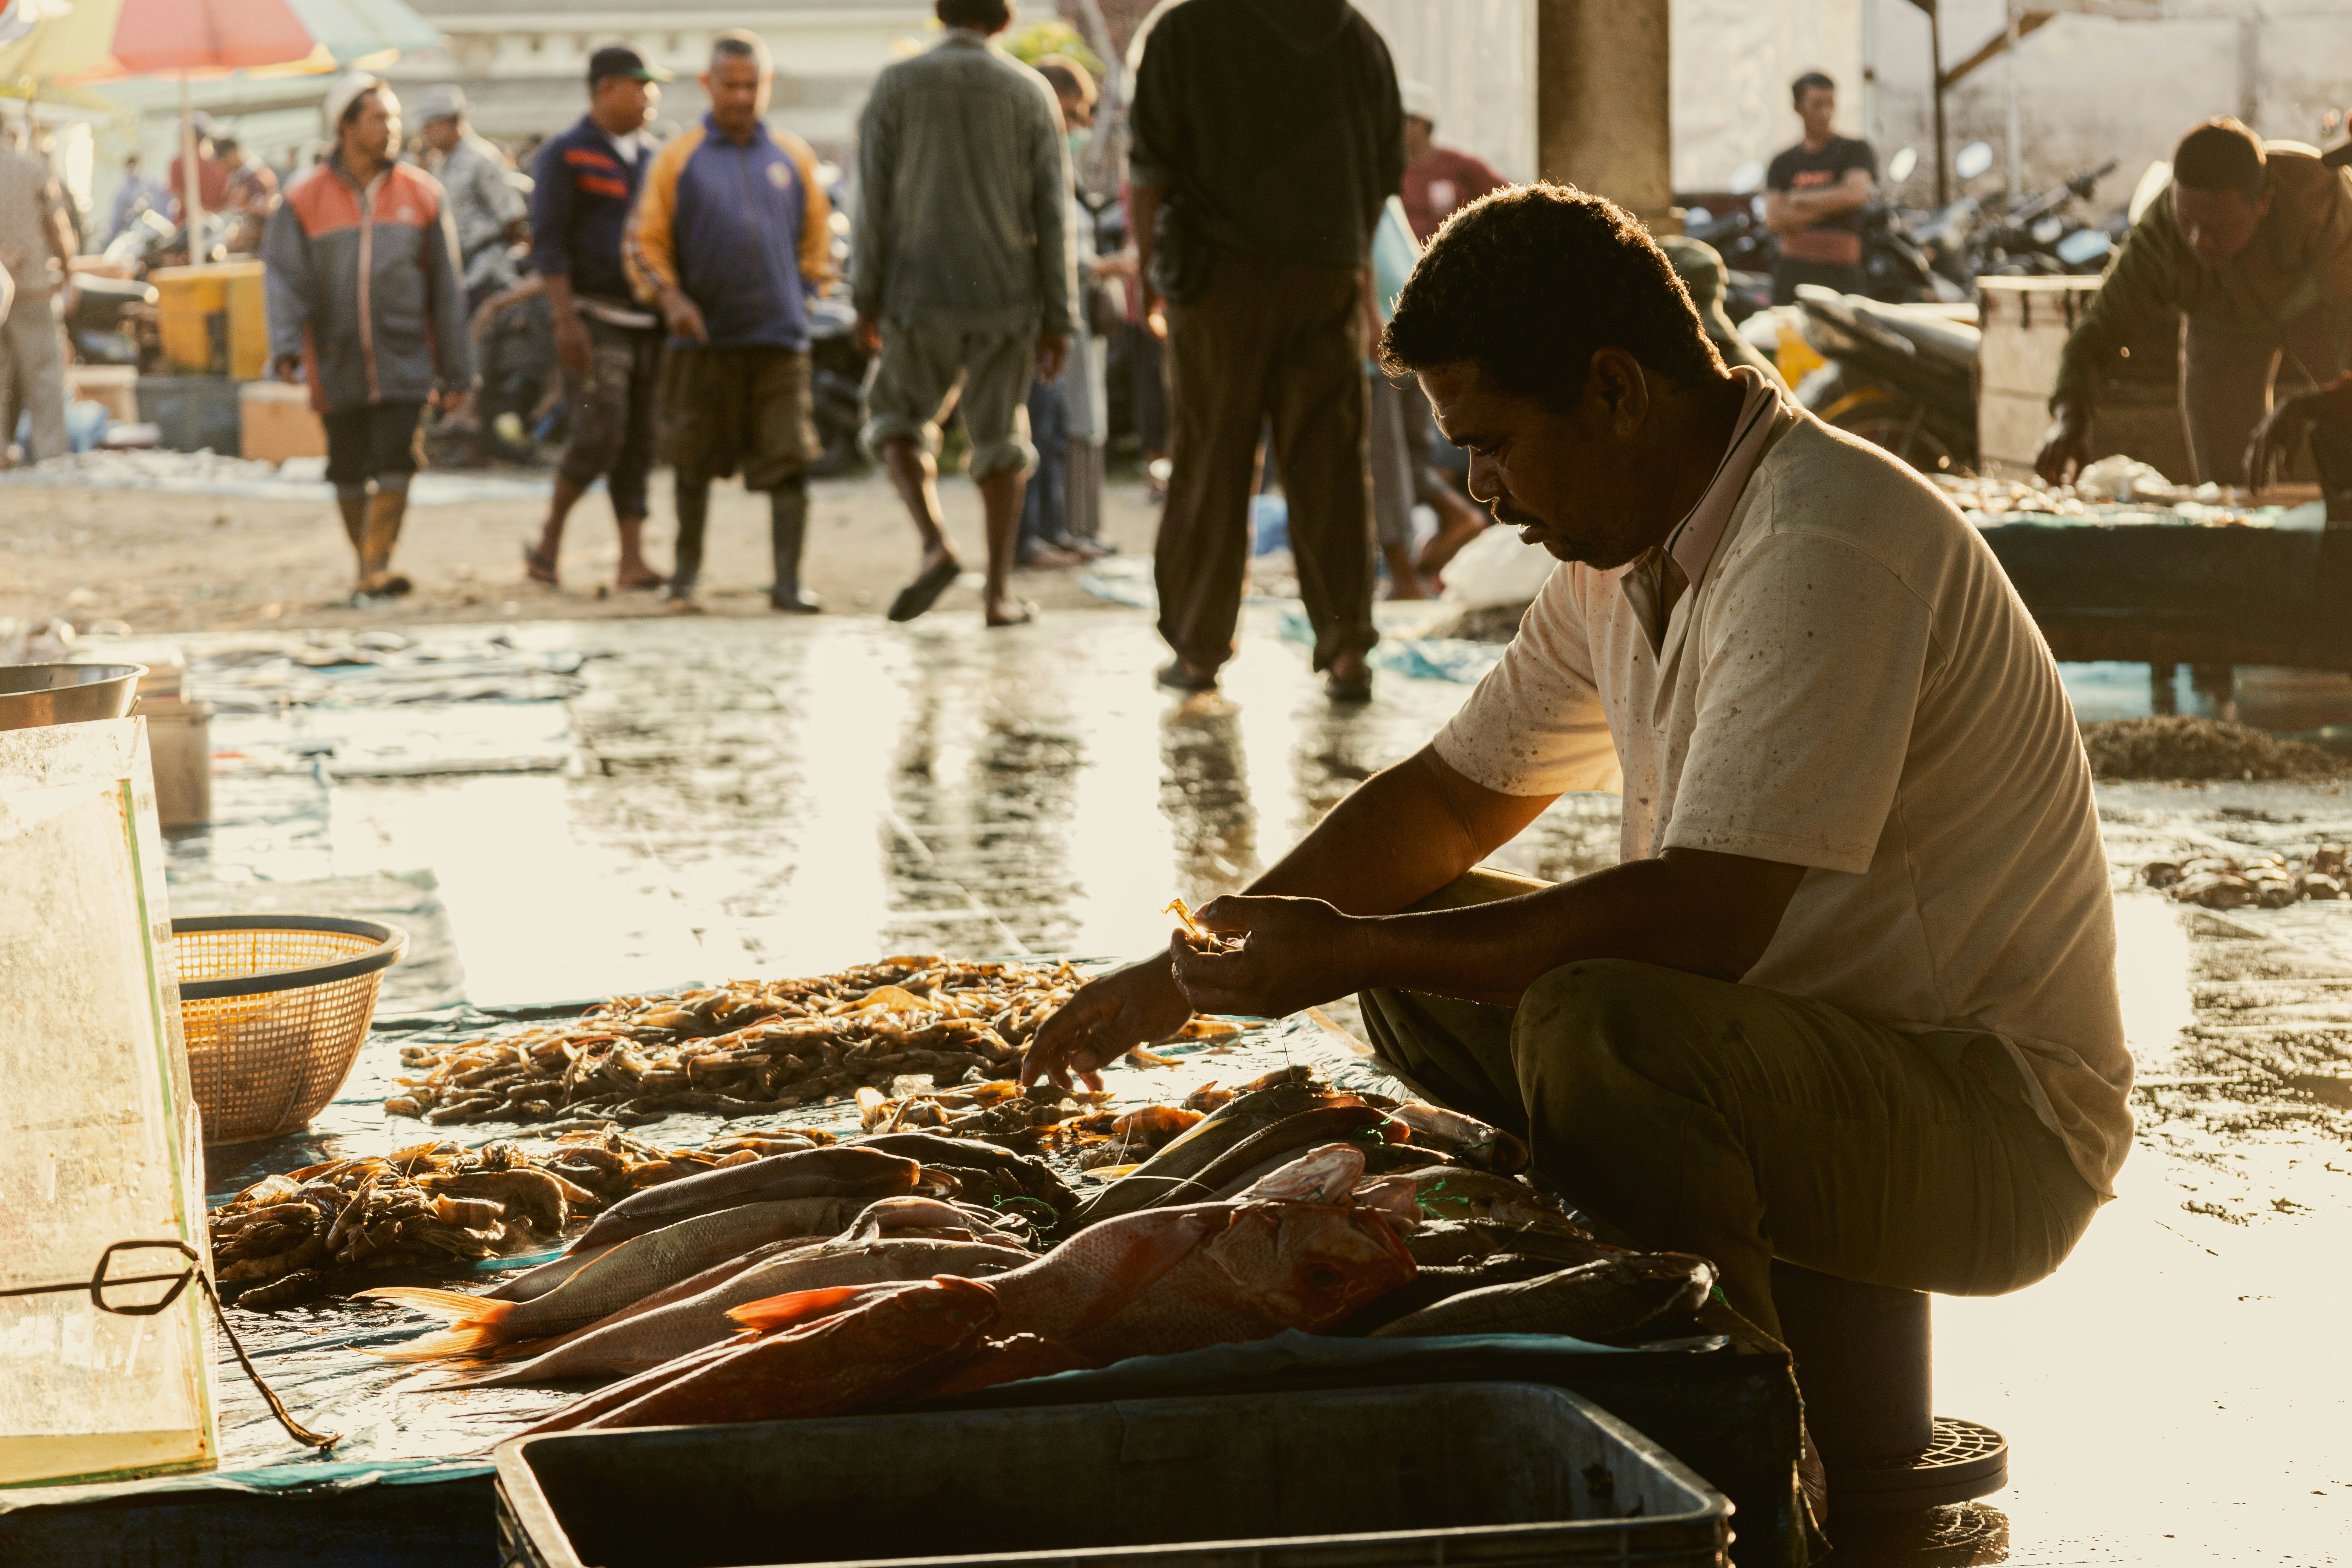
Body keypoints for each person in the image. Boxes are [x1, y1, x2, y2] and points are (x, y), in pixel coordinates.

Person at [1024, 188, 2125, 1417]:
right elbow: (1450, 799)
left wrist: (1341, 948)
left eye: (1492, 443)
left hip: (1991, 1134)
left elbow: (1706, 918)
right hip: (1807, 1054)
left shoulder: (1823, 542)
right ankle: (1650, 1277)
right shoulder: (1626, 547)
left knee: (1593, 1025)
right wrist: (1188, 969)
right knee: (1406, 939)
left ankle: (1738, 1439)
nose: (1481, 490)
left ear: (1614, 390)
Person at [1129, 0, 1403, 698]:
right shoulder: (1354, 35)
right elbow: (1379, 177)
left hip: (1220, 281)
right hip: (1327, 276)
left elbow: (1150, 170)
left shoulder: (1186, 28)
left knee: (1211, 459)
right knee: (1332, 467)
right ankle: (1346, 651)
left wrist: (1147, 273)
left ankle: (1197, 651)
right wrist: (1359, 279)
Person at [853, 0, 1075, 628]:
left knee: (894, 420)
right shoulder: (1030, 91)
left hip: (916, 291)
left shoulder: (897, 84)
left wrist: (864, 296)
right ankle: (998, 595)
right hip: (1005, 297)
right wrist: (1060, 318)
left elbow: (873, 202)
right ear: (1004, 22)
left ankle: (934, 543)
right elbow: (1053, 216)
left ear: (940, 13)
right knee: (1002, 440)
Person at [627, 30, 833, 612]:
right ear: (707, 85)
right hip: (702, 343)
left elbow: (818, 247)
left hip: (778, 341)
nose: (742, 97)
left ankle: (787, 584)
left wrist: (804, 299)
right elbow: (645, 243)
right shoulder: (678, 156)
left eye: (752, 86)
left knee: (790, 462)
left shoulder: (793, 156)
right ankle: (687, 575)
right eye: (731, 85)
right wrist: (672, 300)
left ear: (766, 86)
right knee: (692, 462)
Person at [2038, 118, 2352, 494]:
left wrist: (2315, 405)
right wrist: (2071, 416)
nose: (2199, 241)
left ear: (2264, 204)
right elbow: (2098, 331)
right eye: (2187, 221)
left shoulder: (2316, 196)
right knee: (2229, 490)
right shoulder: (2158, 236)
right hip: (2220, 330)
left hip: (2321, 312)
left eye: (2219, 226)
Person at [264, 74, 472, 598]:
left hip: (406, 355)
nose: (392, 128)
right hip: (336, 355)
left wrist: (458, 369)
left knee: (398, 456)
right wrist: (286, 343)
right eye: (380, 118)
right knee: (348, 465)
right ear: (347, 126)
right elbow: (284, 279)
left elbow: (447, 290)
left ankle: (376, 565)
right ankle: (367, 565)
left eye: (395, 118)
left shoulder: (423, 196)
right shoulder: (302, 200)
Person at [524, 43, 669, 592]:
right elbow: (550, 242)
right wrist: (566, 320)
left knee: (639, 439)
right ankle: (551, 539)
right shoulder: (566, 152)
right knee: (599, 429)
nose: (649, 96)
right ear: (606, 89)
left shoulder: (654, 156)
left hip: (647, 319)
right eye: (640, 85)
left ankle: (631, 561)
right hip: (593, 315)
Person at [1018, 54, 1113, 567]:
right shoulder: (1025, 153)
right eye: (1071, 114)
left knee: (1052, 427)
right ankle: (1029, 540)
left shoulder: (1057, 160)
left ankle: (1050, 533)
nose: (1076, 127)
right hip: (1029, 315)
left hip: (1054, 316)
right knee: (1033, 426)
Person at [0, 119, 77, 462]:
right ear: (10, 134)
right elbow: (56, 225)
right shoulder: (31, 169)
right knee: (44, 373)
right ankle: (50, 454)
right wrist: (68, 270)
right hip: (30, 286)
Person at [1763, 71, 1875, 304]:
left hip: (1842, 272)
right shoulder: (1782, 162)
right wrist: (1836, 202)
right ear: (1797, 107)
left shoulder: (1855, 150)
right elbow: (1774, 218)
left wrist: (1797, 200)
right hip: (1793, 273)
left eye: (1830, 105)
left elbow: (1855, 195)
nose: (1825, 113)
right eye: (1816, 105)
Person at [414, 85, 528, 312]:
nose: (425, 134)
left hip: (487, 276)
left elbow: (512, 216)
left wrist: (484, 247)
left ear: (450, 122)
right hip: (458, 275)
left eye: (430, 126)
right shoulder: (440, 163)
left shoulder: (480, 158)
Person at [1397, 80, 1505, 245]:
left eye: (1408, 120)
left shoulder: (1460, 167)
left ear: (1425, 124)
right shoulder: (1391, 173)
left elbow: (1506, 197)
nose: (1402, 127)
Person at [210, 135, 279, 253]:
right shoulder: (237, 176)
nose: (223, 165)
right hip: (241, 242)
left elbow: (268, 211)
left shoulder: (256, 176)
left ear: (233, 153)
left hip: (259, 247)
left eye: (224, 160)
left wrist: (243, 206)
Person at [106, 152, 168, 243]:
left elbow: (115, 223)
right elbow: (116, 221)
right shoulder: (154, 183)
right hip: (139, 237)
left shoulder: (154, 185)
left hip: (155, 233)